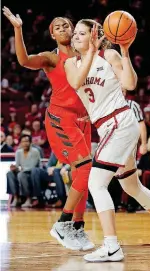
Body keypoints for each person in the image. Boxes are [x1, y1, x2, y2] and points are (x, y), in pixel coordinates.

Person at [64, 19, 150, 262]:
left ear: (95, 36)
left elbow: (130, 84)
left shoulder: (110, 55)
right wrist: (91, 53)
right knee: (131, 186)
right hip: (107, 127)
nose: (75, 36)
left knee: (96, 183)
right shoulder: (70, 64)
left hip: (120, 122)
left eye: (81, 33)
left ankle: (112, 245)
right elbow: (76, 83)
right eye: (75, 33)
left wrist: (125, 53)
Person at [3, 6, 94, 251]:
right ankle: (63, 222)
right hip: (60, 118)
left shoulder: (86, 54)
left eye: (66, 24)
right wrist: (18, 29)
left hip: (83, 120)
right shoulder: (51, 58)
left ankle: (78, 227)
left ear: (74, 29)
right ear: (52, 34)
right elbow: (23, 61)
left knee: (81, 175)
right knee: (85, 168)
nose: (63, 28)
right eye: (57, 27)